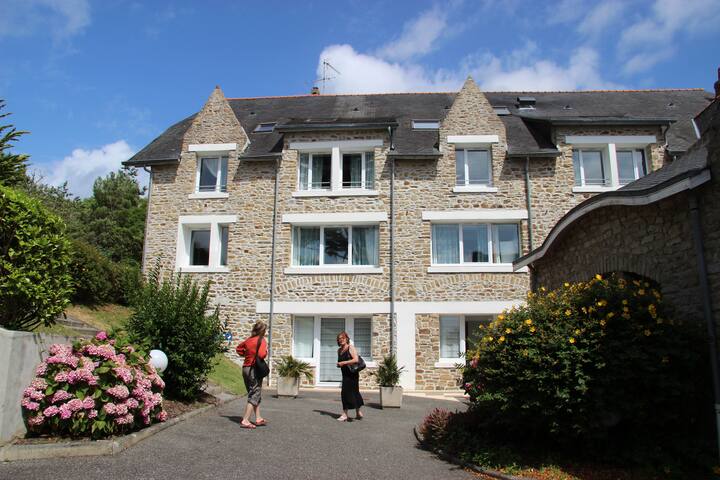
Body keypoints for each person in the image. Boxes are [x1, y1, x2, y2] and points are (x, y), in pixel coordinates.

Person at [235, 320, 268, 429]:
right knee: (254, 393)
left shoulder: (249, 340)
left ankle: (258, 418)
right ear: (262, 331)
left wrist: (247, 354)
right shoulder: (262, 340)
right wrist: (265, 353)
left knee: (253, 392)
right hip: (254, 370)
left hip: (246, 368)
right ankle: (245, 420)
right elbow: (262, 354)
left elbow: (238, 349)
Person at [336, 331, 364, 422]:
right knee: (349, 392)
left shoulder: (350, 348)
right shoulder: (339, 350)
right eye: (339, 339)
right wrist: (339, 364)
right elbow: (341, 361)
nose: (341, 340)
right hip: (345, 374)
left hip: (352, 374)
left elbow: (356, 359)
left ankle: (345, 414)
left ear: (347, 339)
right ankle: (357, 412)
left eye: (343, 338)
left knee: (350, 392)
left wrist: (343, 362)